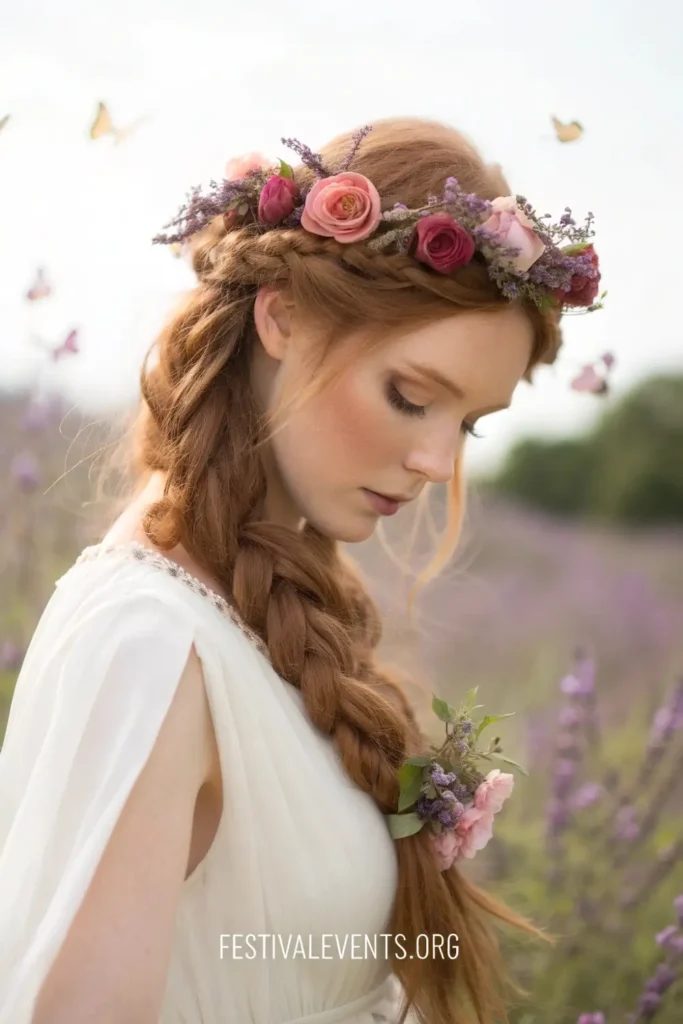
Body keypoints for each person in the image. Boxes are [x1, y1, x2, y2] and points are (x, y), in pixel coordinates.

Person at [0, 116, 602, 1024]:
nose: (439, 462)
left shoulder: (252, 610)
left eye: (469, 423)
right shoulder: (152, 645)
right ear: (279, 314)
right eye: (410, 397)